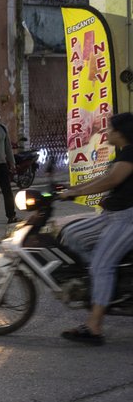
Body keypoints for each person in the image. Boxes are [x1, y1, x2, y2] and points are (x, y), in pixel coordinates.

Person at [53, 111, 133, 345]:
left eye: (109, 129)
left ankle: (94, 326)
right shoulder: (122, 154)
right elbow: (103, 179)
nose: (106, 132)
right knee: (71, 233)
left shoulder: (131, 153)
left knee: (102, 264)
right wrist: (69, 189)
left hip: (127, 219)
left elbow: (111, 181)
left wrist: (75, 192)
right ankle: (101, 283)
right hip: (112, 215)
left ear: (120, 133)